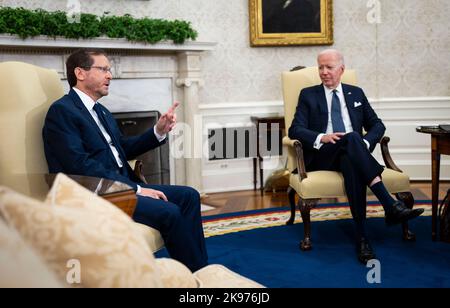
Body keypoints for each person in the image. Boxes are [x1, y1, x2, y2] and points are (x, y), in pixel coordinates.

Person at [42, 48, 207, 272]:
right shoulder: (62, 112)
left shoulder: (101, 111)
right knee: (169, 212)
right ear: (80, 73)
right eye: (103, 69)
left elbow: (121, 149)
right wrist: (136, 189)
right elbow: (79, 167)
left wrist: (157, 131)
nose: (110, 75)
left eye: (109, 70)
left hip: (119, 186)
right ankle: (195, 279)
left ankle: (198, 270)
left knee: (189, 196)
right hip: (94, 192)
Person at [288, 49, 424, 264]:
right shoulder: (308, 94)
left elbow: (377, 125)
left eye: (329, 67)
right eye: (320, 67)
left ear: (341, 69)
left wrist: (367, 142)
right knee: (352, 138)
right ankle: (389, 204)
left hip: (352, 153)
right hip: (323, 155)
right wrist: (322, 137)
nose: (324, 72)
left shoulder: (356, 93)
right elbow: (295, 130)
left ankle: (362, 239)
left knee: (351, 159)